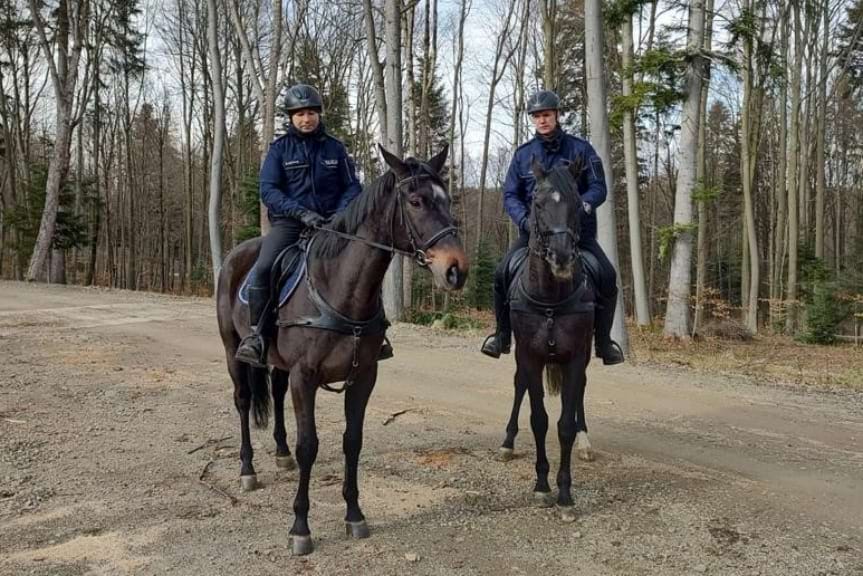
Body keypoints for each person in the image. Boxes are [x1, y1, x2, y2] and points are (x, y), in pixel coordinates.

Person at [235, 83, 376, 367]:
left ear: (319, 114)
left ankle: (375, 330)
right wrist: (301, 213)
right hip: (290, 224)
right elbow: (269, 190)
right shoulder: (279, 150)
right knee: (264, 268)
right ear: (291, 117)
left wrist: (339, 215)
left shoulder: (335, 148)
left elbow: (352, 186)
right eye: (299, 114)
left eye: (311, 113)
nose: (306, 118)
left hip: (333, 224)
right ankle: (257, 336)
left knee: (365, 261)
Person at [480, 89, 625, 365]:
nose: (542, 120)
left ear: (557, 115)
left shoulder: (581, 149)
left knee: (607, 276)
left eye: (546, 114)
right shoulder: (523, 155)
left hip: (576, 235)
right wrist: (524, 220)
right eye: (536, 116)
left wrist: (583, 205)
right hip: (534, 236)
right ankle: (501, 336)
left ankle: (604, 343)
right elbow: (510, 195)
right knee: (500, 274)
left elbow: (598, 187)